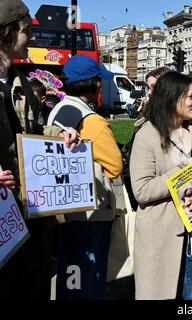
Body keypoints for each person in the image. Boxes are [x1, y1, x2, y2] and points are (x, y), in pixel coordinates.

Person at [0, 0, 80, 300]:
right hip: (3, 218)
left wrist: (60, 134)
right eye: (26, 31)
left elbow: (32, 132)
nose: (33, 38)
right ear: (6, 34)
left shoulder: (22, 82)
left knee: (33, 286)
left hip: (30, 214)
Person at [129, 71, 192, 300]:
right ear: (173, 98)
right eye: (191, 97)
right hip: (163, 236)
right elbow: (141, 191)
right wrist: (181, 174)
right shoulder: (147, 134)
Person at [47, 54, 124, 300]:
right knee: (89, 279)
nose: (101, 85)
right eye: (99, 80)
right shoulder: (93, 121)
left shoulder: (57, 111)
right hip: (92, 213)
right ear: (91, 84)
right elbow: (114, 166)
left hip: (63, 208)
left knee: (70, 275)